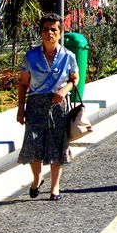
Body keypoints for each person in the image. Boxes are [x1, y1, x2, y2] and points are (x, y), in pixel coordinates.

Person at [17, 13, 82, 201]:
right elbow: (23, 84)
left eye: (54, 29)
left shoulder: (68, 56)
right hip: (35, 105)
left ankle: (55, 187)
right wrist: (21, 109)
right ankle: (37, 179)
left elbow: (75, 79)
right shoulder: (31, 56)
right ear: (41, 32)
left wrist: (64, 90)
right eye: (46, 29)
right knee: (33, 145)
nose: (49, 33)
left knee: (57, 147)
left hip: (57, 105)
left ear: (60, 33)